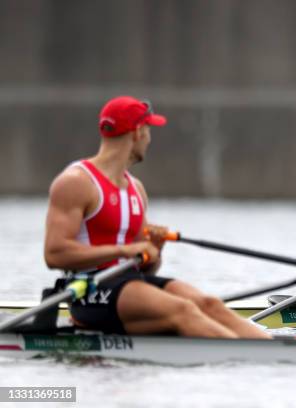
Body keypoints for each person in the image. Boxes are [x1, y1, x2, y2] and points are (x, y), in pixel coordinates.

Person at [44, 96, 270, 338]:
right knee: (183, 310)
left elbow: (146, 268)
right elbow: (54, 254)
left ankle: (272, 353)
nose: (149, 139)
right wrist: (123, 251)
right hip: (88, 291)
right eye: (149, 130)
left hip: (128, 284)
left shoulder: (136, 190)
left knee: (209, 304)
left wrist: (154, 249)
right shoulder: (76, 183)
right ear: (138, 132)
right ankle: (241, 359)